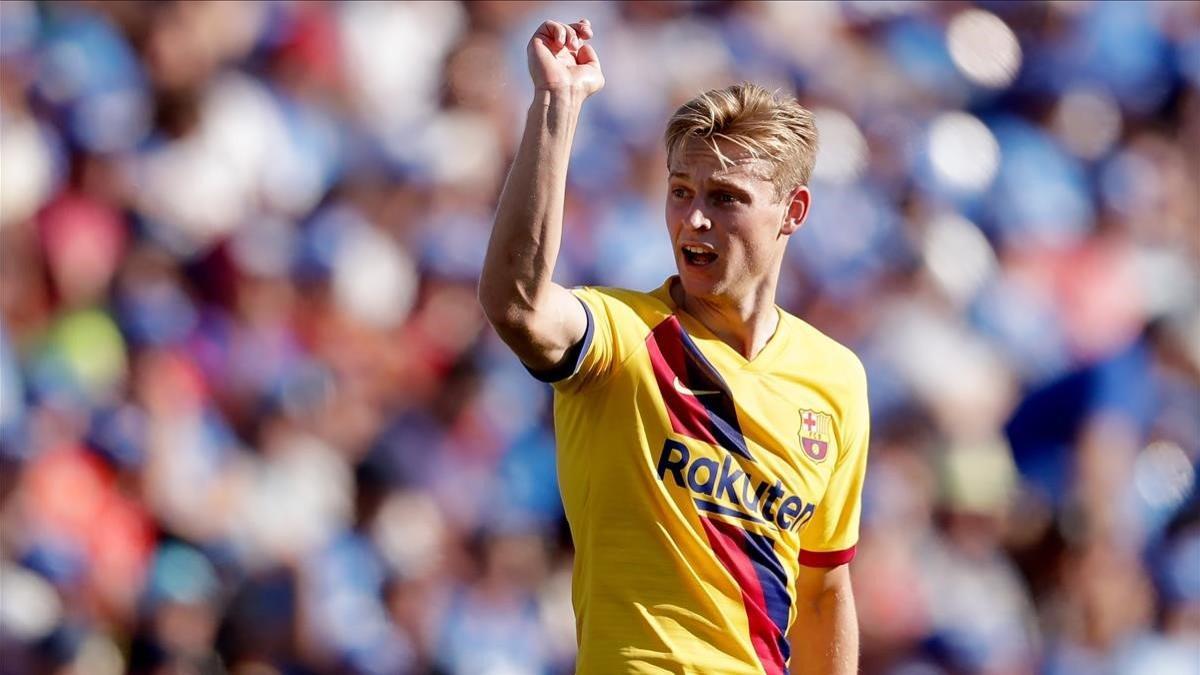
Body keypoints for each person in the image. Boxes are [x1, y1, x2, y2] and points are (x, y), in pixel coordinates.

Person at [479, 18, 868, 675]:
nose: (694, 218)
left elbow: (824, 589)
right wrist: (557, 105)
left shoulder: (834, 377)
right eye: (681, 191)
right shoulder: (624, 336)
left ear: (793, 212)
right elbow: (516, 302)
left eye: (726, 198)